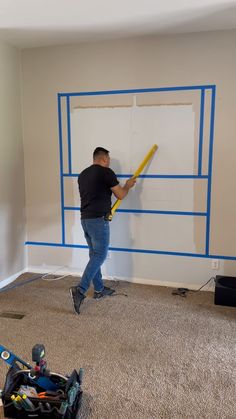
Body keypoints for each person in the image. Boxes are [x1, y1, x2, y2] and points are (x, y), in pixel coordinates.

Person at [70, 147, 136, 315]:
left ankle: (99, 289)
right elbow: (120, 194)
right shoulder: (106, 172)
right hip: (99, 221)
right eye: (109, 159)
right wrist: (127, 185)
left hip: (85, 220)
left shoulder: (83, 174)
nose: (109, 162)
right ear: (104, 159)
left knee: (94, 255)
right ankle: (80, 290)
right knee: (100, 256)